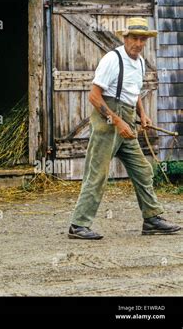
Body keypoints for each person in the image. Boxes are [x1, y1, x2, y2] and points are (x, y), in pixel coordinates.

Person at [68, 17, 181, 240]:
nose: (138, 43)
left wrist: (142, 114)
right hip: (107, 122)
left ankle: (151, 219)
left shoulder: (139, 62)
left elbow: (133, 92)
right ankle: (78, 225)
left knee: (143, 170)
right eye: (134, 38)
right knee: (97, 174)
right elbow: (94, 96)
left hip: (126, 119)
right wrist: (117, 122)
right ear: (125, 38)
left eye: (142, 39)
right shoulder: (112, 59)